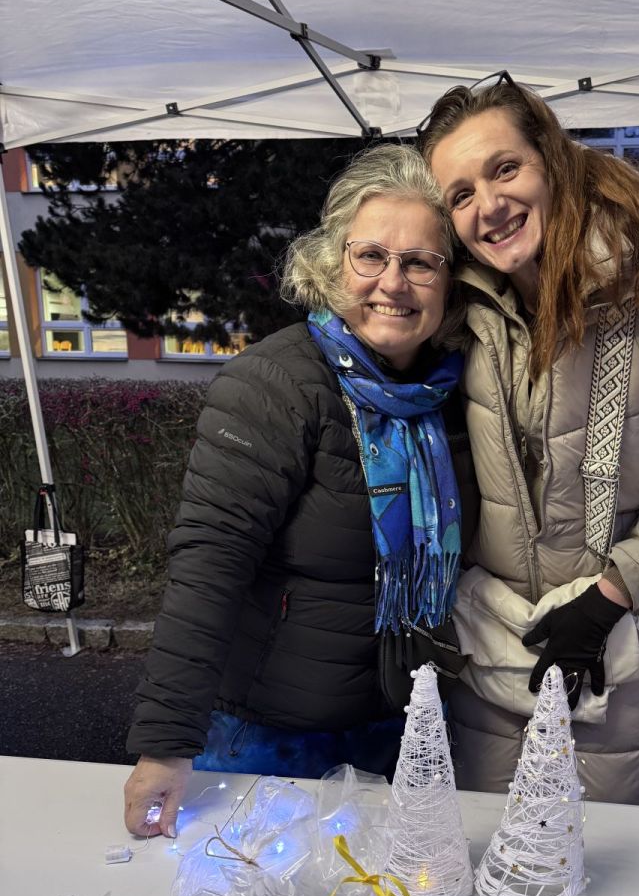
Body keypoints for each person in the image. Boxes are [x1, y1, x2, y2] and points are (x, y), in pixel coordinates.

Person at [123, 144, 474, 838]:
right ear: (333, 263)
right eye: (370, 255)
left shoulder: (454, 395)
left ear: (448, 280)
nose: (393, 282)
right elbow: (209, 564)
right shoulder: (275, 383)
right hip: (269, 739)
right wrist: (165, 744)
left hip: (400, 730)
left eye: (420, 262)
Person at [419, 75, 639, 804]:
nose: (488, 205)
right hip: (491, 636)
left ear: (551, 161)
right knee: (489, 846)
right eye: (461, 195)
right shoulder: (459, 305)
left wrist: (609, 599)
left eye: (504, 169)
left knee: (607, 849)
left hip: (620, 637)